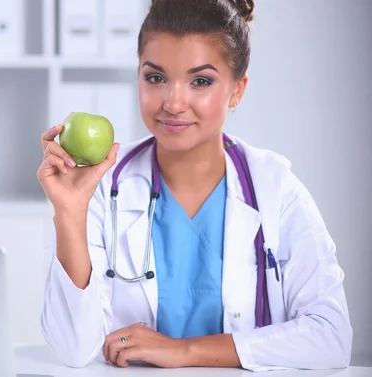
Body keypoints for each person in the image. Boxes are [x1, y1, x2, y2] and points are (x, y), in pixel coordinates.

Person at [36, 0, 353, 371]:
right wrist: (69, 211)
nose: (173, 102)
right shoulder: (103, 186)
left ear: (237, 90)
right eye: (155, 77)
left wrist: (184, 350)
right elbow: (74, 350)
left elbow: (331, 337)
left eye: (200, 81)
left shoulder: (275, 189)